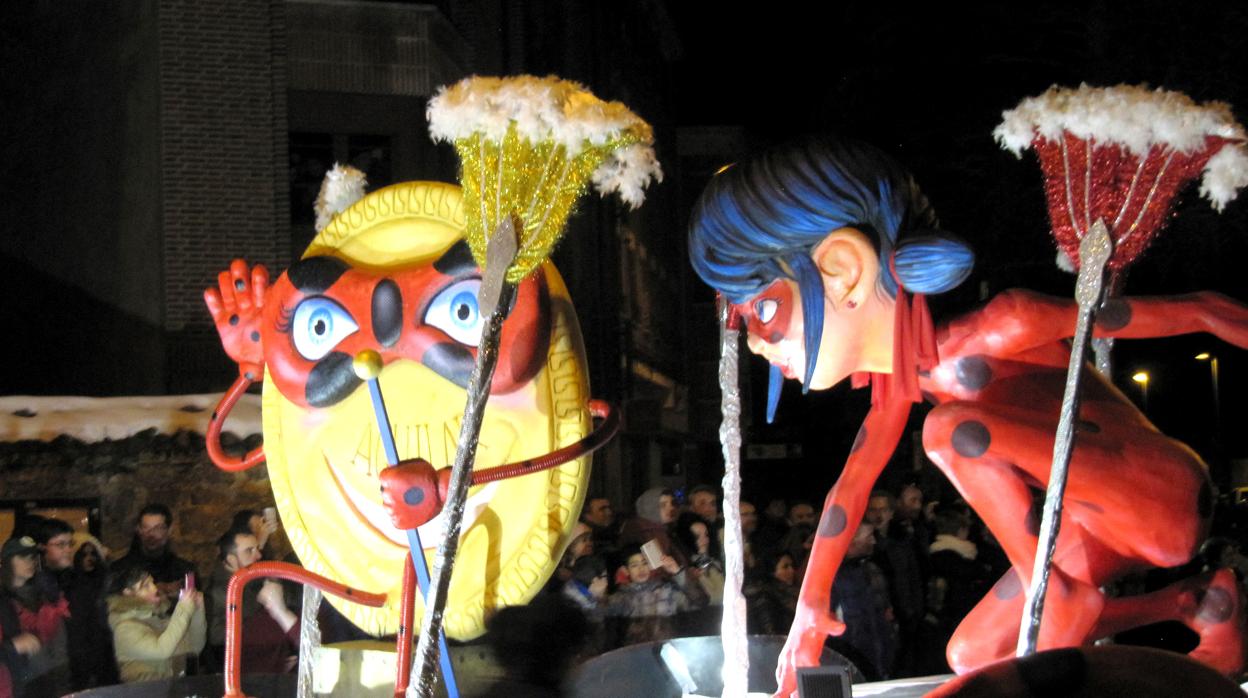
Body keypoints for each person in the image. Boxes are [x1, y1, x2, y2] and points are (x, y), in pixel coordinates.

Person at [688, 133, 1248, 689]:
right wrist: (809, 609)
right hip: (1089, 528)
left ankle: (1058, 600)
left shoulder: (1003, 326)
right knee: (972, 651)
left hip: (1158, 493)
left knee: (951, 432)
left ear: (843, 267)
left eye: (763, 309)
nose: (758, 344)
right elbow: (850, 489)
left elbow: (1201, 310)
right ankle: (1194, 603)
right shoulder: (903, 385)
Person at [207, 528, 299, 674]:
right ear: (231, 559)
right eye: (249, 551)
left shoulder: (257, 579)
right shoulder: (219, 593)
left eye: (257, 548)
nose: (258, 555)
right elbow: (217, 637)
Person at [106, 566, 205, 683]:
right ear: (128, 593)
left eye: (152, 582)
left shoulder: (159, 618)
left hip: (173, 690)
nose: (154, 588)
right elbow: (162, 651)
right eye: (145, 586)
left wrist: (197, 611)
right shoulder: (125, 629)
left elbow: (194, 647)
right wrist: (183, 608)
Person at [0, 537, 65, 698]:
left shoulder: (42, 594)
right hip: (15, 682)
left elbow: (56, 641)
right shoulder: (4, 599)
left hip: (45, 677)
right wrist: (12, 646)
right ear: (8, 561)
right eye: (22, 557)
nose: (30, 562)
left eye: (32, 557)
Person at [606, 545, 702, 646]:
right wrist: (592, 595)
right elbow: (598, 614)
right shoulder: (622, 597)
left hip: (666, 652)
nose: (641, 569)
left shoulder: (666, 591)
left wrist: (677, 572)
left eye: (645, 563)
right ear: (625, 570)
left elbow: (699, 602)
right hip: (634, 655)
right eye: (634, 565)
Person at [113, 504, 197, 603]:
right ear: (139, 530)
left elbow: (195, 607)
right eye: (146, 528)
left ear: (169, 530)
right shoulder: (119, 570)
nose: (151, 534)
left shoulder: (185, 571)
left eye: (158, 528)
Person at [64, 538, 118, 689]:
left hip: (103, 642)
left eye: (93, 554)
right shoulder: (71, 582)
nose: (89, 559)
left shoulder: (104, 580)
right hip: (81, 643)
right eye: (84, 555)